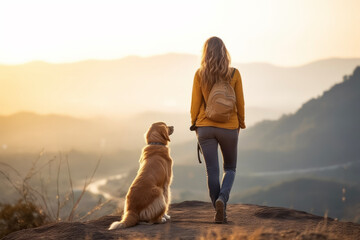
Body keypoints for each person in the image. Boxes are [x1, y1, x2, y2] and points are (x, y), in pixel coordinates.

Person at [190, 36, 245, 223]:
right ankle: (223, 199)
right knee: (230, 168)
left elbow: (195, 105)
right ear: (224, 52)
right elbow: (241, 103)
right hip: (229, 128)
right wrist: (241, 123)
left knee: (212, 172)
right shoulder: (234, 74)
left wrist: (195, 125)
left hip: (205, 128)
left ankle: (219, 211)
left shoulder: (200, 74)